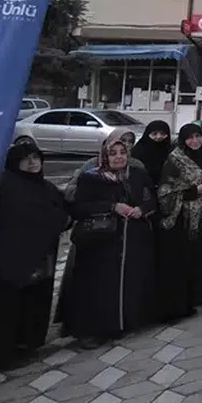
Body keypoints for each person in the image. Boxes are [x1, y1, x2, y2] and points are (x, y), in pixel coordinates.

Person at [0, 140, 68, 371]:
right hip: (3, 262)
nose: (32, 163)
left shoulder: (44, 187)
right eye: (25, 159)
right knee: (1, 310)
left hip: (37, 260)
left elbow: (61, 212)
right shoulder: (3, 186)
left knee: (30, 305)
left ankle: (26, 346)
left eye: (35, 157)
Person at [60, 129, 156, 344]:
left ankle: (123, 323)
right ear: (104, 155)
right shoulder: (91, 177)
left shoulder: (137, 174)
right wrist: (113, 207)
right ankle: (93, 331)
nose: (119, 157)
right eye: (113, 153)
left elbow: (152, 199)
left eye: (123, 152)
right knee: (98, 287)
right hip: (100, 242)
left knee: (127, 284)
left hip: (131, 241)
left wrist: (142, 209)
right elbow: (78, 208)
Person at [155, 123, 202, 320]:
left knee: (199, 259)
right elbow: (165, 193)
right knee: (183, 262)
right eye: (190, 137)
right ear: (183, 140)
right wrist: (194, 192)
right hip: (182, 221)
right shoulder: (174, 160)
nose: (195, 141)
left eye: (198, 136)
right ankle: (181, 303)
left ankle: (195, 297)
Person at [132, 121, 173, 189]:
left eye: (162, 134)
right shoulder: (138, 151)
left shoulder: (170, 150)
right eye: (154, 134)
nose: (159, 137)